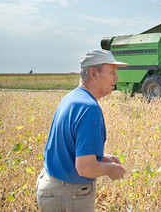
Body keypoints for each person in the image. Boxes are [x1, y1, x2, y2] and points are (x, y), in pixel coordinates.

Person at [36, 49, 128, 211]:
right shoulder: (89, 108)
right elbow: (85, 168)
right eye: (112, 72)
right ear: (93, 73)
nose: (116, 78)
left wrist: (102, 158)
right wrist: (112, 170)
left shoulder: (71, 98)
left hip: (53, 185)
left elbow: (68, 148)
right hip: (69, 194)